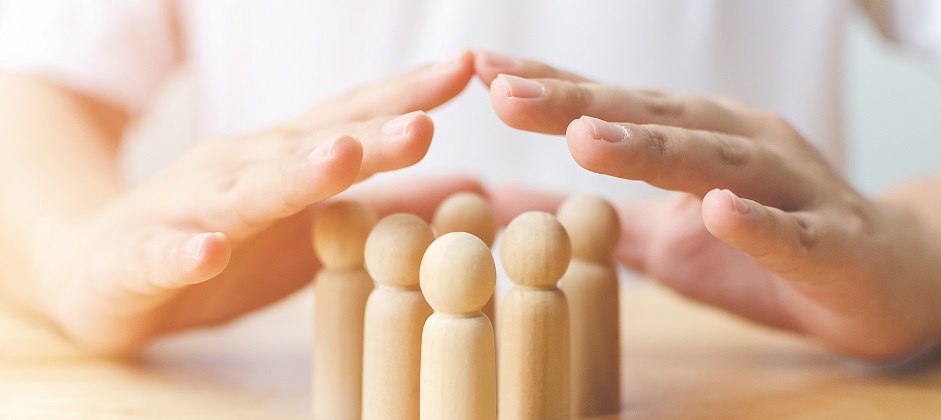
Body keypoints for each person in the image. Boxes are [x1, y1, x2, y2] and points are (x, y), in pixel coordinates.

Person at [0, 0, 940, 360]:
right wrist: (66, 241)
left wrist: (922, 248)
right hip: (261, 364)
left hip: (763, 371)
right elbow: (38, 88)